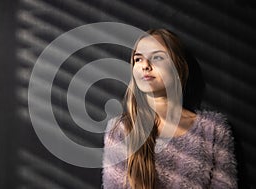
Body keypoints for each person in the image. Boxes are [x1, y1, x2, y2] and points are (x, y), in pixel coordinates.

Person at [102, 29, 237, 189]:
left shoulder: (214, 130)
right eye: (138, 59)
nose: (145, 65)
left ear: (178, 68)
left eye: (157, 57)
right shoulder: (120, 128)